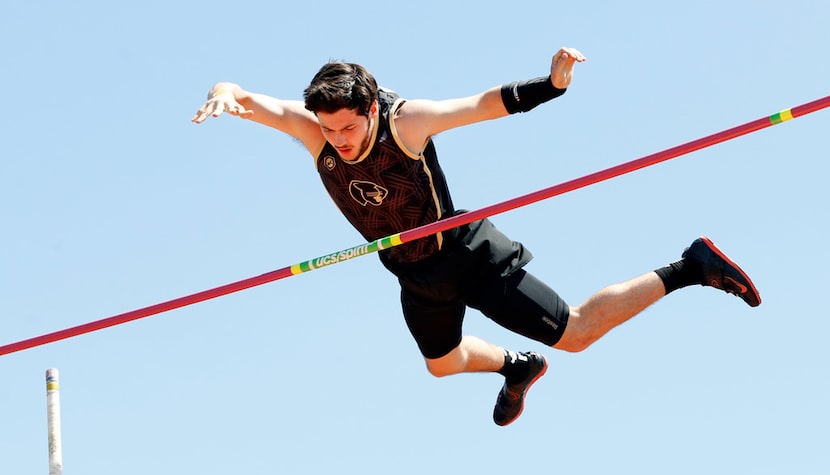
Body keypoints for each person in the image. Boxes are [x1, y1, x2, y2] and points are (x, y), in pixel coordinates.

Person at [192, 48, 761, 427]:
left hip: (465, 254)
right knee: (442, 365)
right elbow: (240, 91)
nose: (337, 139)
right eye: (328, 128)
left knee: (578, 333)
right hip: (414, 274)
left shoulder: (404, 123)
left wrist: (551, 84)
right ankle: (516, 367)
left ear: (370, 109)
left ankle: (690, 266)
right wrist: (223, 92)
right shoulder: (312, 127)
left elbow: (482, 105)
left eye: (348, 127)